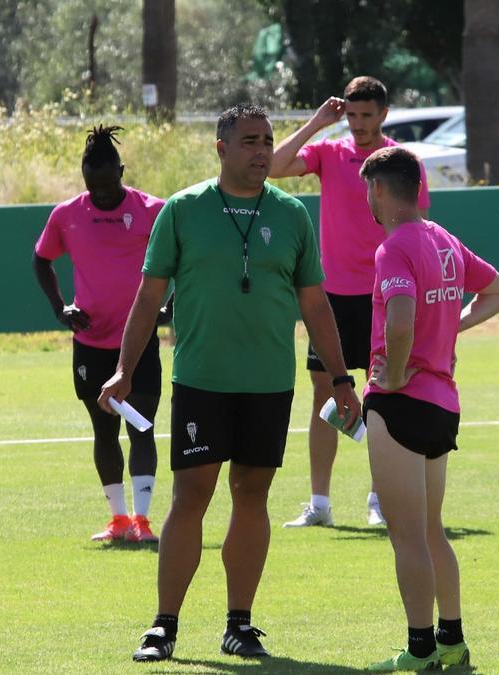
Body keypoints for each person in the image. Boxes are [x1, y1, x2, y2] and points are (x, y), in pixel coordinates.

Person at [99, 104, 361, 662]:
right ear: (221, 148)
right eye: (249, 141)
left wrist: (340, 378)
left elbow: (315, 303)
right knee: (191, 495)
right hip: (202, 381)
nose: (262, 150)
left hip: (268, 384)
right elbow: (148, 297)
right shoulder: (183, 210)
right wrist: (125, 368)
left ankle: (238, 624)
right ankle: (163, 626)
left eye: (267, 140)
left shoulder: (292, 215)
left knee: (252, 494)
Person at [355, 147, 499, 671]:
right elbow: (498, 292)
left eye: (367, 191)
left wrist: (396, 373)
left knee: (407, 536)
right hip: (443, 403)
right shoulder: (443, 238)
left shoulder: (394, 246)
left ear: (380, 189)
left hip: (401, 402)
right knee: (431, 530)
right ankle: (452, 641)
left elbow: (399, 322)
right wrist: (450, 328)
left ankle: (420, 651)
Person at [269, 76, 431, 528]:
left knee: (382, 394)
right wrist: (316, 123)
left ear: (383, 115)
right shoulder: (330, 152)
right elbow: (273, 166)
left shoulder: (401, 162)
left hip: (386, 294)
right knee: (326, 396)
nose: (358, 124)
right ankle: (319, 504)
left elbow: (418, 226)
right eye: (352, 115)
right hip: (333, 298)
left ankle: (381, 500)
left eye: (367, 115)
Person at [33, 125, 170, 543]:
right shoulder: (67, 215)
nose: (103, 194)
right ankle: (118, 519)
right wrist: (61, 308)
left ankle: (143, 522)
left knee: (142, 428)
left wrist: (172, 305)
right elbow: (41, 260)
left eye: (110, 184)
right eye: (94, 186)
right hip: (91, 345)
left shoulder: (152, 210)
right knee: (104, 431)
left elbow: (186, 260)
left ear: (122, 172)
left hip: (140, 342)